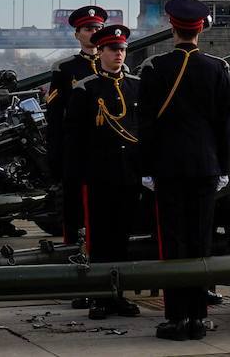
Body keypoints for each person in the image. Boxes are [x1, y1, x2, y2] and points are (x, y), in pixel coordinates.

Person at [137, 0, 230, 342]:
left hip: (168, 168)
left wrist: (146, 168)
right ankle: (198, 318)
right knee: (201, 241)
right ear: (202, 28)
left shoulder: (153, 68)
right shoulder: (217, 68)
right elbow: (225, 125)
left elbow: (145, 125)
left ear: (170, 27)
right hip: (206, 168)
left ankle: (176, 318)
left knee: (173, 244)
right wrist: (223, 166)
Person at [66, 24, 143, 320]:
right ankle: (100, 296)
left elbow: (142, 130)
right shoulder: (86, 88)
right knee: (99, 239)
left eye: (122, 49)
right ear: (100, 52)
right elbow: (75, 138)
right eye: (113, 50)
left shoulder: (136, 85)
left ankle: (118, 295)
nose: (119, 55)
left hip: (129, 173)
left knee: (122, 238)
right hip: (98, 174)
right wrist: (76, 175)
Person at [46, 5, 104, 255]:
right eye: (88, 28)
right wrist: (55, 153)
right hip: (76, 147)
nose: (93, 32)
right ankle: (71, 252)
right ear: (77, 34)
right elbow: (55, 114)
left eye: (98, 28)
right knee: (73, 205)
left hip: (105, 147)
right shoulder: (65, 68)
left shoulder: (116, 65)